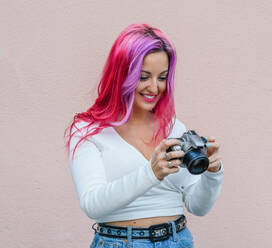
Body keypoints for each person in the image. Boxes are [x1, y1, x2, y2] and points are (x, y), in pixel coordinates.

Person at [64, 23, 225, 248]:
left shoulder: (174, 128)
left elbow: (198, 207)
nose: (154, 87)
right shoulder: (87, 130)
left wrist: (213, 173)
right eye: (143, 76)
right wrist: (151, 173)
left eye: (162, 77)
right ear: (121, 74)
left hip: (177, 240)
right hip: (118, 243)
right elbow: (92, 204)